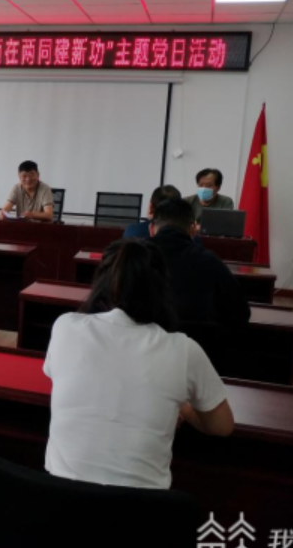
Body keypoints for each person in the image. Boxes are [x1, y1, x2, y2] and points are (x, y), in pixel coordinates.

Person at [44, 239, 234, 490]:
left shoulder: (65, 326)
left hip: (59, 502)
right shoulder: (183, 349)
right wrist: (184, 408)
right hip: (142, 510)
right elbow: (222, 426)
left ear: (101, 283)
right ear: (161, 288)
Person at [149, 198, 250, 326]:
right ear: (193, 230)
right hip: (196, 337)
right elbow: (241, 313)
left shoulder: (132, 256)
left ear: (151, 228)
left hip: (142, 337)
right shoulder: (209, 260)